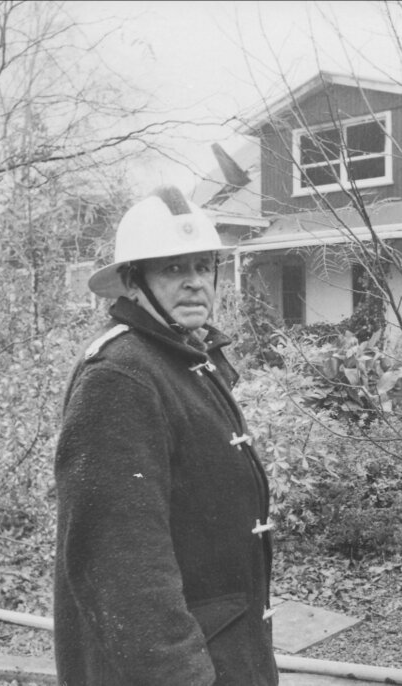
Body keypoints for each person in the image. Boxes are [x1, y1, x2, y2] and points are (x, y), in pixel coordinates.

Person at [53, 186, 278, 686]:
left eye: (202, 266)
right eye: (173, 269)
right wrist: (184, 676)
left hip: (223, 647)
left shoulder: (181, 358)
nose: (196, 283)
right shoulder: (122, 377)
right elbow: (120, 565)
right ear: (132, 285)